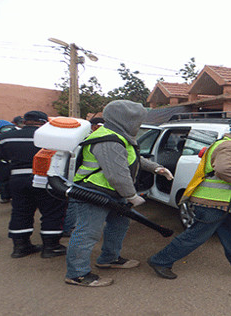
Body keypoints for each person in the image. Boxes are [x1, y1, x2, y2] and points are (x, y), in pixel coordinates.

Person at [147, 112, 231, 280]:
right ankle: (160, 261)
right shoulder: (230, 146)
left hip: (228, 203)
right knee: (195, 237)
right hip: (212, 203)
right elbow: (223, 169)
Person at [65, 100, 174, 287]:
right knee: (87, 232)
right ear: (125, 120)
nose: (139, 125)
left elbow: (133, 158)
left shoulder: (118, 136)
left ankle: (109, 258)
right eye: (137, 121)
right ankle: (77, 274)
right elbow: (117, 175)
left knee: (119, 224)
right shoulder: (108, 140)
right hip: (94, 191)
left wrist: (157, 168)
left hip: (111, 193)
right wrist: (132, 196)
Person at [0, 111, 69, 258]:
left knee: (20, 211)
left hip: (17, 179)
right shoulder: (53, 138)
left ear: (24, 122)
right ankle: (51, 247)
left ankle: (20, 247)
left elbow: (2, 158)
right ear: (45, 123)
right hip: (46, 179)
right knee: (52, 212)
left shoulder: (6, 138)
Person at [62, 116, 106, 237]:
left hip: (75, 176)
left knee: (73, 203)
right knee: (74, 204)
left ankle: (68, 226)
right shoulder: (92, 139)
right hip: (81, 178)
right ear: (95, 126)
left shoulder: (79, 138)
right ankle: (69, 228)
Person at [0, 120, 18, 203]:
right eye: (5, 128)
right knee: (3, 180)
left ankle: (14, 196)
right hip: (0, 161)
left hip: (12, 160)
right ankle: (5, 196)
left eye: (9, 127)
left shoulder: (15, 134)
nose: (8, 129)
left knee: (12, 180)